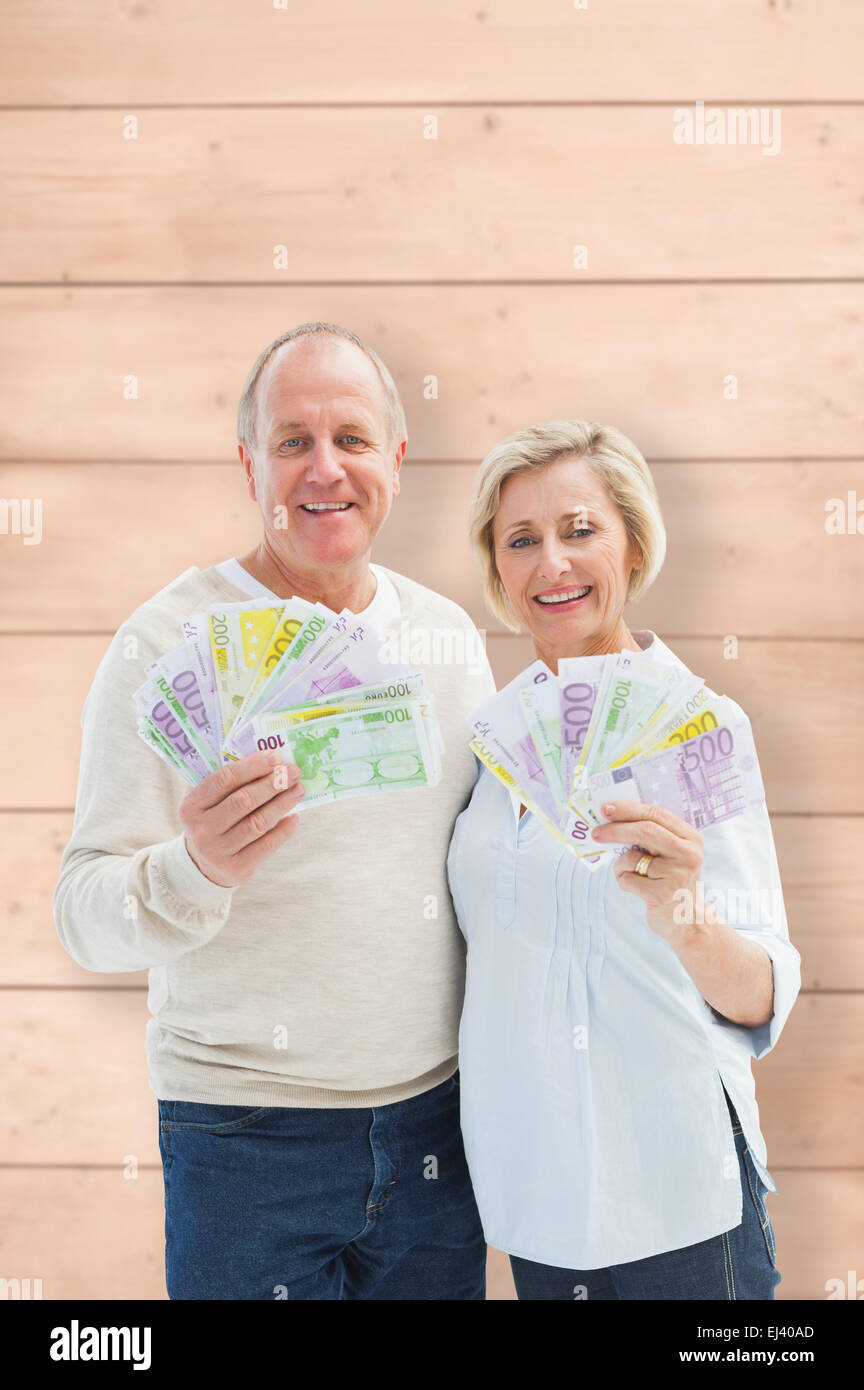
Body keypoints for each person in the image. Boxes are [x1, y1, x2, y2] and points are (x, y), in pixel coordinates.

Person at [54, 321, 495, 1300]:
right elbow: (82, 914)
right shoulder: (163, 644)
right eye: (292, 440)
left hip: (438, 1130)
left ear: (396, 459)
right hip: (244, 1138)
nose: (323, 467)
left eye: (351, 437)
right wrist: (195, 866)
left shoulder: (450, 642)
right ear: (249, 463)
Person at [446, 419, 801, 1300]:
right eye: (520, 541)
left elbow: (760, 992)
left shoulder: (702, 729)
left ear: (633, 546)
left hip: (680, 1197)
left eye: (580, 530)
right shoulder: (491, 750)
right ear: (498, 571)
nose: (551, 564)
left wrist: (682, 906)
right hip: (538, 1201)